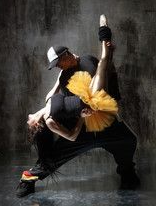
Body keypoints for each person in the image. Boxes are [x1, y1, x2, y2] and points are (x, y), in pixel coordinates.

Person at [16, 15, 140, 197]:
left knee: (128, 141)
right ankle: (28, 178)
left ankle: (127, 174)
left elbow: (105, 74)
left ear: (66, 54)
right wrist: (46, 114)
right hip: (82, 128)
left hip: (106, 124)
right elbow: (58, 102)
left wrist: (109, 53)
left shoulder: (89, 61)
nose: (58, 67)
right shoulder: (64, 77)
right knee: (54, 157)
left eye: (58, 63)